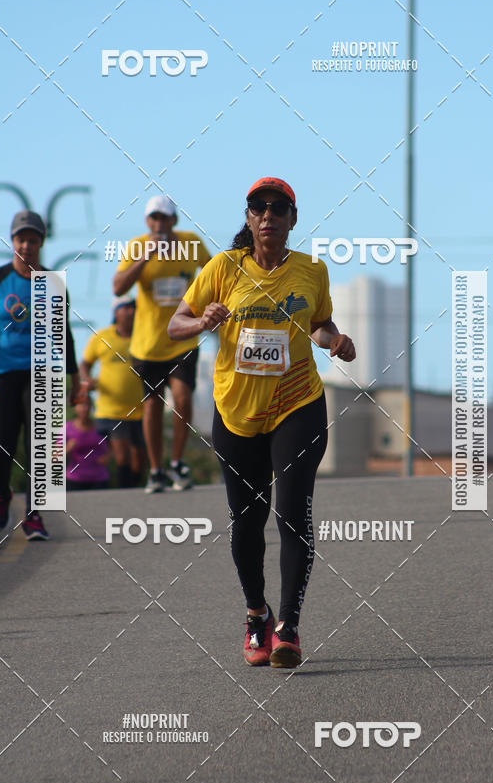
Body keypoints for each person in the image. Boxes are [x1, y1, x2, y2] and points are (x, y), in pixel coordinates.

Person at [168, 177, 356, 668]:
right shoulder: (222, 267)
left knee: (292, 513)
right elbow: (175, 324)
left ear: (293, 219)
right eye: (258, 207)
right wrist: (202, 321)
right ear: (249, 218)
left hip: (297, 404)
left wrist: (335, 341)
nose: (268, 214)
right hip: (236, 413)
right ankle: (257, 614)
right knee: (247, 522)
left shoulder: (312, 270)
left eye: (278, 207)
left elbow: (319, 324)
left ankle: (288, 627)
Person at [0, 210, 80, 541]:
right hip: (3, 373)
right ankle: (2, 491)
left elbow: (64, 334)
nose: (26, 246)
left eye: (33, 240)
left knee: (39, 446)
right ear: (12, 241)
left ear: (41, 243)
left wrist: (75, 377)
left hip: (42, 372)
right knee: (2, 447)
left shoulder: (53, 283)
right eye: (21, 239)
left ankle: (33, 516)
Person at [113, 194, 211, 493]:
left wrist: (209, 305)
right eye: (154, 218)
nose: (159, 223)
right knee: (153, 406)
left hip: (183, 339)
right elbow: (118, 287)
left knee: (182, 397)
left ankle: (177, 461)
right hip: (148, 344)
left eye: (164, 218)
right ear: (147, 221)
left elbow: (215, 274)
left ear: (174, 220)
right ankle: (156, 470)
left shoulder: (191, 243)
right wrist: (146, 257)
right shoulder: (137, 246)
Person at [80, 295, 146, 488]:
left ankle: (134, 487)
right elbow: (85, 363)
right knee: (122, 455)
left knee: (140, 458)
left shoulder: (143, 336)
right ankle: (124, 492)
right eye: (126, 307)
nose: (131, 312)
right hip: (112, 410)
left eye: (134, 307)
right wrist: (86, 379)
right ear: (116, 312)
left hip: (142, 409)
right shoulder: (101, 337)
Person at [65, 393, 110, 490]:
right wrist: (67, 448)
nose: (84, 408)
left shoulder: (101, 426)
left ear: (91, 407)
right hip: (74, 479)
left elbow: (113, 447)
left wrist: (108, 456)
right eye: (81, 405)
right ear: (75, 407)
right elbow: (54, 458)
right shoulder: (67, 428)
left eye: (87, 404)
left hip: (100, 479)